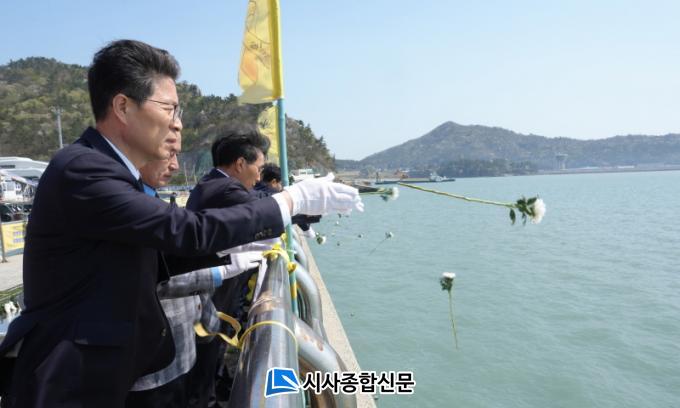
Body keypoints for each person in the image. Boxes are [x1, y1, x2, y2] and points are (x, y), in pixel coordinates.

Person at [0, 39, 362, 408]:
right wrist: (291, 201)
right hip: (68, 381)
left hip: (102, 372)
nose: (178, 122)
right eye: (169, 108)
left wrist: (229, 254)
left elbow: (155, 255)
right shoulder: (83, 169)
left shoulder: (114, 172)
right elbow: (184, 230)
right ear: (123, 106)